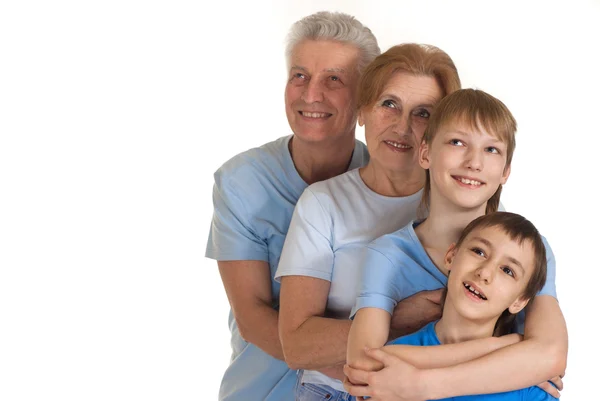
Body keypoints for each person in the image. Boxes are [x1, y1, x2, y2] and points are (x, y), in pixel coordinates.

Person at [344, 89, 567, 401]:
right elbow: (364, 367)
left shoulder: (529, 249)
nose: (474, 162)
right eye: (457, 142)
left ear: (505, 172)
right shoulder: (388, 255)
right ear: (425, 153)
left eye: (491, 149)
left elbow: (551, 356)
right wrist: (509, 346)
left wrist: (424, 385)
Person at [205, 11, 380, 401]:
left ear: (365, 97)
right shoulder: (240, 182)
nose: (311, 94)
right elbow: (252, 318)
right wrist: (359, 376)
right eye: (299, 75)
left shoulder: (387, 183)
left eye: (334, 79)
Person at [275, 43, 461, 400]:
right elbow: (297, 346)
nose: (402, 126)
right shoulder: (323, 204)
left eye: (423, 113)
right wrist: (398, 317)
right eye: (389, 104)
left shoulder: (464, 203)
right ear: (362, 110)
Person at [384, 211, 557, 400]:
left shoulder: (532, 386)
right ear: (451, 256)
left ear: (519, 302)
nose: (485, 273)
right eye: (479, 252)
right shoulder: (392, 365)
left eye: (508, 271)